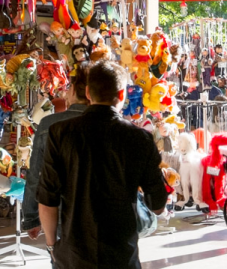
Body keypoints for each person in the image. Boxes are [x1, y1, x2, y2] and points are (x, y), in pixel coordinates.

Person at [37, 61, 167, 269]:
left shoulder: (59, 133)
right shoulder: (140, 138)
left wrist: (53, 247)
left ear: (88, 93)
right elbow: (157, 206)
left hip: (73, 254)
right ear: (122, 95)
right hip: (121, 254)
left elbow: (47, 200)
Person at [21, 62, 90, 238]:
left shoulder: (49, 124)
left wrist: (31, 217)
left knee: (62, 259)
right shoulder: (109, 125)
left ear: (73, 90)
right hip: (98, 214)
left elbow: (35, 174)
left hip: (59, 212)